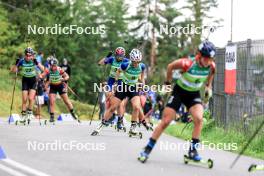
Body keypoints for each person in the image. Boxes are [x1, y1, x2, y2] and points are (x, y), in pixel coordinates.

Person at [138, 40, 216, 162]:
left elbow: (210, 77)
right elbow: (170, 66)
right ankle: (147, 148)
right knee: (166, 121)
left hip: (193, 94)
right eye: (206, 58)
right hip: (179, 92)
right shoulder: (187, 63)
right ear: (199, 55)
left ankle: (192, 151)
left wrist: (208, 87)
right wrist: (167, 84)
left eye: (210, 58)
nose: (208, 61)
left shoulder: (211, 67)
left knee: (199, 119)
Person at [92, 48, 145, 136]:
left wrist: (142, 82)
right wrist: (116, 83)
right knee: (113, 107)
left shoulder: (142, 66)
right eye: (134, 62)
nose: (136, 64)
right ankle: (101, 124)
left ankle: (132, 128)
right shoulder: (125, 65)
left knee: (136, 107)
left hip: (133, 87)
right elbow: (118, 71)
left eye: (138, 61)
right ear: (131, 60)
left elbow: (142, 74)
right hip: (123, 87)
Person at [98, 47, 129, 130]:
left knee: (120, 103)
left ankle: (119, 121)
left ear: (124, 55)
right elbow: (100, 63)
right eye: (118, 56)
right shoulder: (112, 59)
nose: (119, 57)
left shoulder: (126, 61)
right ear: (115, 55)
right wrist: (107, 57)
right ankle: (109, 117)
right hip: (111, 81)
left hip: (121, 81)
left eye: (121, 56)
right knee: (110, 97)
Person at [39, 58, 79, 123]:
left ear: (56, 65)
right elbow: (42, 75)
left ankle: (72, 113)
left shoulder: (59, 69)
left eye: (54, 66)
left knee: (66, 101)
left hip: (60, 86)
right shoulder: (48, 70)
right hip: (53, 87)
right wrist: (40, 77)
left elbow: (67, 76)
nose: (53, 67)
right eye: (51, 65)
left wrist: (63, 79)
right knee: (52, 101)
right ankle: (52, 117)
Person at [11, 47, 44, 123]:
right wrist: (16, 64)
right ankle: (23, 115)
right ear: (25, 55)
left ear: (32, 55)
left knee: (31, 98)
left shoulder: (34, 61)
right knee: (24, 99)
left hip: (33, 81)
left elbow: (43, 69)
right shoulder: (21, 61)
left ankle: (29, 113)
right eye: (27, 55)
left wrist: (37, 63)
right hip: (25, 80)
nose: (28, 57)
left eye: (30, 55)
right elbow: (13, 71)